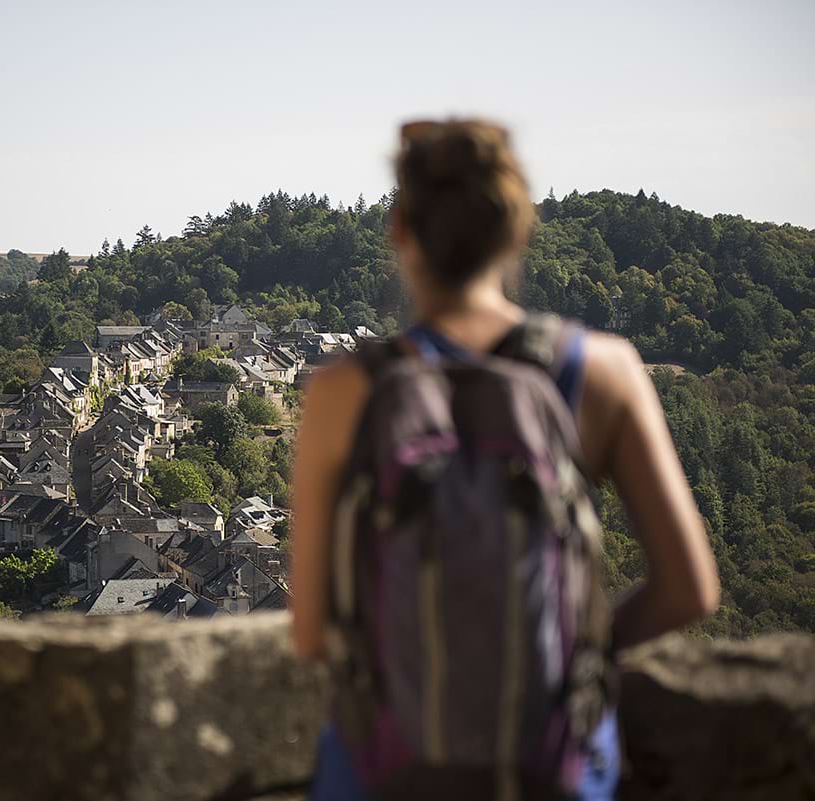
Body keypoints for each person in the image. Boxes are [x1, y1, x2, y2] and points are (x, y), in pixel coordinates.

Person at [290, 119, 720, 800]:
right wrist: (572, 660)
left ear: (399, 229)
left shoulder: (344, 391)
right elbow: (689, 587)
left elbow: (311, 631)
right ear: (518, 231)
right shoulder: (603, 372)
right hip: (551, 767)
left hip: (386, 770)